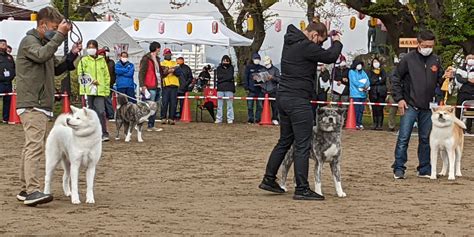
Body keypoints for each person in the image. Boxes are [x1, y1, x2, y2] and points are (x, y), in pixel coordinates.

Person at [259, 22, 342, 200]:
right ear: (313, 35)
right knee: (303, 144)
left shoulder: (290, 42)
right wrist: (337, 42)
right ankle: (302, 188)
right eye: (320, 41)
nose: (318, 45)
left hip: (283, 97)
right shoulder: (306, 46)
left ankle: (269, 178)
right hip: (298, 100)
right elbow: (330, 57)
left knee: (285, 140)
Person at [15, 6, 81, 206]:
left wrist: (71, 56)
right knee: (35, 146)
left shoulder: (41, 43)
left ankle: (26, 188)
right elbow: (42, 55)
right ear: (42, 25)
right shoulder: (29, 42)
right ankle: (33, 190)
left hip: (38, 103)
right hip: (32, 103)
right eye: (53, 27)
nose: (56, 30)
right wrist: (60, 35)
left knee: (31, 146)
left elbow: (55, 68)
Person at [391, 30, 447, 179]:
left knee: (426, 139)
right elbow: (395, 78)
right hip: (409, 105)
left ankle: (424, 168)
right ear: (419, 43)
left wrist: (447, 77)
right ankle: (399, 167)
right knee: (404, 137)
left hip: (428, 107)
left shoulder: (436, 60)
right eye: (426, 45)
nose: (428, 48)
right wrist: (399, 99)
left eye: (431, 45)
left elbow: (440, 81)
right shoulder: (407, 59)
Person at [77, 39, 111, 141]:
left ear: (96, 49)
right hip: (88, 90)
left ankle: (103, 132)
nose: (91, 49)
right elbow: (80, 75)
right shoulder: (83, 60)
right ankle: (88, 133)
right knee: (88, 112)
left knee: (101, 111)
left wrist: (106, 90)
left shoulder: (102, 60)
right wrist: (91, 80)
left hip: (99, 90)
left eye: (93, 47)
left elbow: (106, 76)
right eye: (89, 47)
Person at [139, 41, 163, 132]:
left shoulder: (157, 59)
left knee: (154, 106)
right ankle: (139, 123)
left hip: (157, 85)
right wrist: (142, 85)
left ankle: (151, 125)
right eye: (159, 48)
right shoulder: (146, 59)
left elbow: (159, 71)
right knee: (147, 106)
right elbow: (142, 72)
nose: (159, 50)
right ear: (156, 48)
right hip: (149, 85)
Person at [454, 54, 474, 134]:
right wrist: (468, 80)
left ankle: (468, 129)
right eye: (469, 58)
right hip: (462, 93)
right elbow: (459, 79)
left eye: (473, 58)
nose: (471, 59)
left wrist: (465, 80)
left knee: (471, 110)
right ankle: (457, 127)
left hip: (472, 93)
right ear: (466, 60)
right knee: (458, 110)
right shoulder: (460, 69)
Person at [244, 53, 266, 124]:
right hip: (251, 90)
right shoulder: (248, 67)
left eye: (258, 59)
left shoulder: (262, 68)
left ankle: (258, 119)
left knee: (259, 106)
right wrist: (246, 88)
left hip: (260, 90)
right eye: (256, 59)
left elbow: (265, 78)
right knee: (250, 106)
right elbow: (245, 78)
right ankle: (250, 119)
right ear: (253, 59)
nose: (257, 60)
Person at [349, 59, 370, 130]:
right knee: (356, 109)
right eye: (358, 64)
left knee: (361, 110)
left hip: (363, 94)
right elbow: (355, 82)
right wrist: (362, 85)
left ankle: (360, 123)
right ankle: (356, 123)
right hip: (355, 94)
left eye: (361, 64)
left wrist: (366, 86)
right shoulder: (351, 72)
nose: (359, 66)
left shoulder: (363, 72)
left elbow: (367, 80)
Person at [160, 48, 180, 125]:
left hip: (174, 85)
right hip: (166, 85)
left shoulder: (175, 63)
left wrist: (172, 70)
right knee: (164, 102)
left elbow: (179, 72)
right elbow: (162, 74)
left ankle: (172, 118)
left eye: (169, 54)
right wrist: (170, 70)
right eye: (166, 54)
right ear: (164, 55)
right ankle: (163, 117)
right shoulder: (161, 63)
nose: (168, 55)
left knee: (173, 103)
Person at [368, 57, 388, 130]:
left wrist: (376, 81)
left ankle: (380, 124)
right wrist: (377, 80)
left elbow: (383, 80)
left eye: (377, 61)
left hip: (381, 92)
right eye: (374, 62)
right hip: (372, 92)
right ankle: (374, 123)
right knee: (374, 109)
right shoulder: (370, 71)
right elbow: (370, 81)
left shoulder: (382, 71)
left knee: (380, 109)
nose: (375, 63)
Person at [215, 55, 235, 124]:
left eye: (227, 61)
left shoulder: (231, 68)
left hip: (229, 88)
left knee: (230, 105)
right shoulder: (218, 68)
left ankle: (230, 118)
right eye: (224, 61)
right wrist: (226, 78)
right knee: (219, 105)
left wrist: (223, 79)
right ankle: (219, 118)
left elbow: (230, 77)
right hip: (220, 88)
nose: (225, 62)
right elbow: (219, 77)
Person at [262, 55, 281, 125]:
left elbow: (279, 79)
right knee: (263, 106)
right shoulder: (262, 69)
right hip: (264, 90)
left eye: (268, 63)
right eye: (265, 64)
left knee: (274, 106)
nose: (267, 65)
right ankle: (264, 118)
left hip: (273, 90)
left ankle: (275, 118)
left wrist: (272, 77)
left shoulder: (276, 70)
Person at [0, 39, 15, 123]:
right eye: (1, 44)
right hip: (0, 82)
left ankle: (6, 118)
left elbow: (14, 67)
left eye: (5, 44)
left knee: (8, 100)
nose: (4, 45)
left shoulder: (9, 57)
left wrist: (13, 75)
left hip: (8, 82)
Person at [101, 46, 116, 119]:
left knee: (108, 100)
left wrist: (113, 82)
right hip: (100, 84)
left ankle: (110, 115)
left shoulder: (111, 62)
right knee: (101, 101)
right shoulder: (99, 61)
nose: (106, 53)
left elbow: (114, 73)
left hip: (109, 84)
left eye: (107, 51)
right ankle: (105, 114)